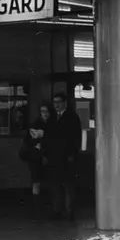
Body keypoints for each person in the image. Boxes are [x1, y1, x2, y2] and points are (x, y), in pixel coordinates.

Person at [43, 91, 82, 221]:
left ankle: (69, 211)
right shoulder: (52, 118)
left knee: (68, 185)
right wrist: (46, 154)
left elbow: (76, 138)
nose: (57, 105)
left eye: (59, 102)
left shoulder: (72, 117)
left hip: (66, 157)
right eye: (55, 102)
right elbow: (47, 138)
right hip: (54, 158)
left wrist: (72, 154)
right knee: (55, 185)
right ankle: (57, 210)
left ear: (65, 103)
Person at [20, 102, 52, 201]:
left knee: (37, 180)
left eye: (46, 111)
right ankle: (38, 202)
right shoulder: (38, 124)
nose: (45, 114)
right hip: (36, 156)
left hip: (38, 156)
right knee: (37, 180)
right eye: (43, 111)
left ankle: (38, 202)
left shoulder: (38, 123)